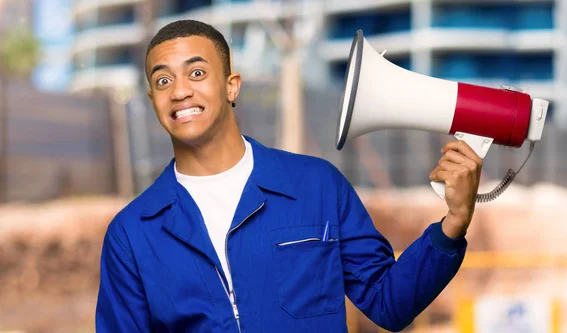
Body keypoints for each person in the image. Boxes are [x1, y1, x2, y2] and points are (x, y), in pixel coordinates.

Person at [95, 19, 482, 333]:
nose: (179, 91)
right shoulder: (131, 233)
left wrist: (453, 224)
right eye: (163, 81)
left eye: (196, 72)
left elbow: (389, 303)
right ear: (153, 100)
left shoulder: (317, 187)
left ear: (232, 86)